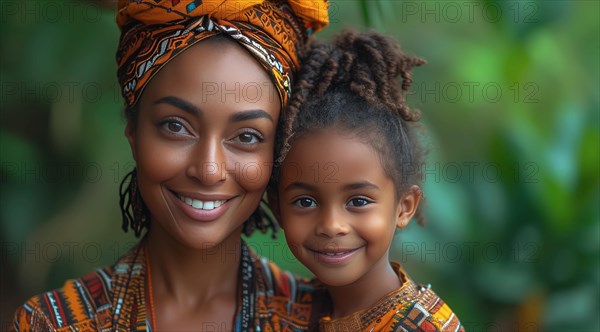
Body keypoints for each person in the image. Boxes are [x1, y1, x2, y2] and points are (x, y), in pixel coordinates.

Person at [12, 0, 329, 331]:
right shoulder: (51, 323)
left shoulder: (324, 321)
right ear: (133, 130)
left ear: (276, 149)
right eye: (176, 126)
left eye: (247, 137)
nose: (209, 170)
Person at [269, 29, 464, 331]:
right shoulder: (289, 306)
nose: (332, 225)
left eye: (358, 201)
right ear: (278, 208)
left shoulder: (425, 326)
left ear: (404, 207)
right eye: (305, 201)